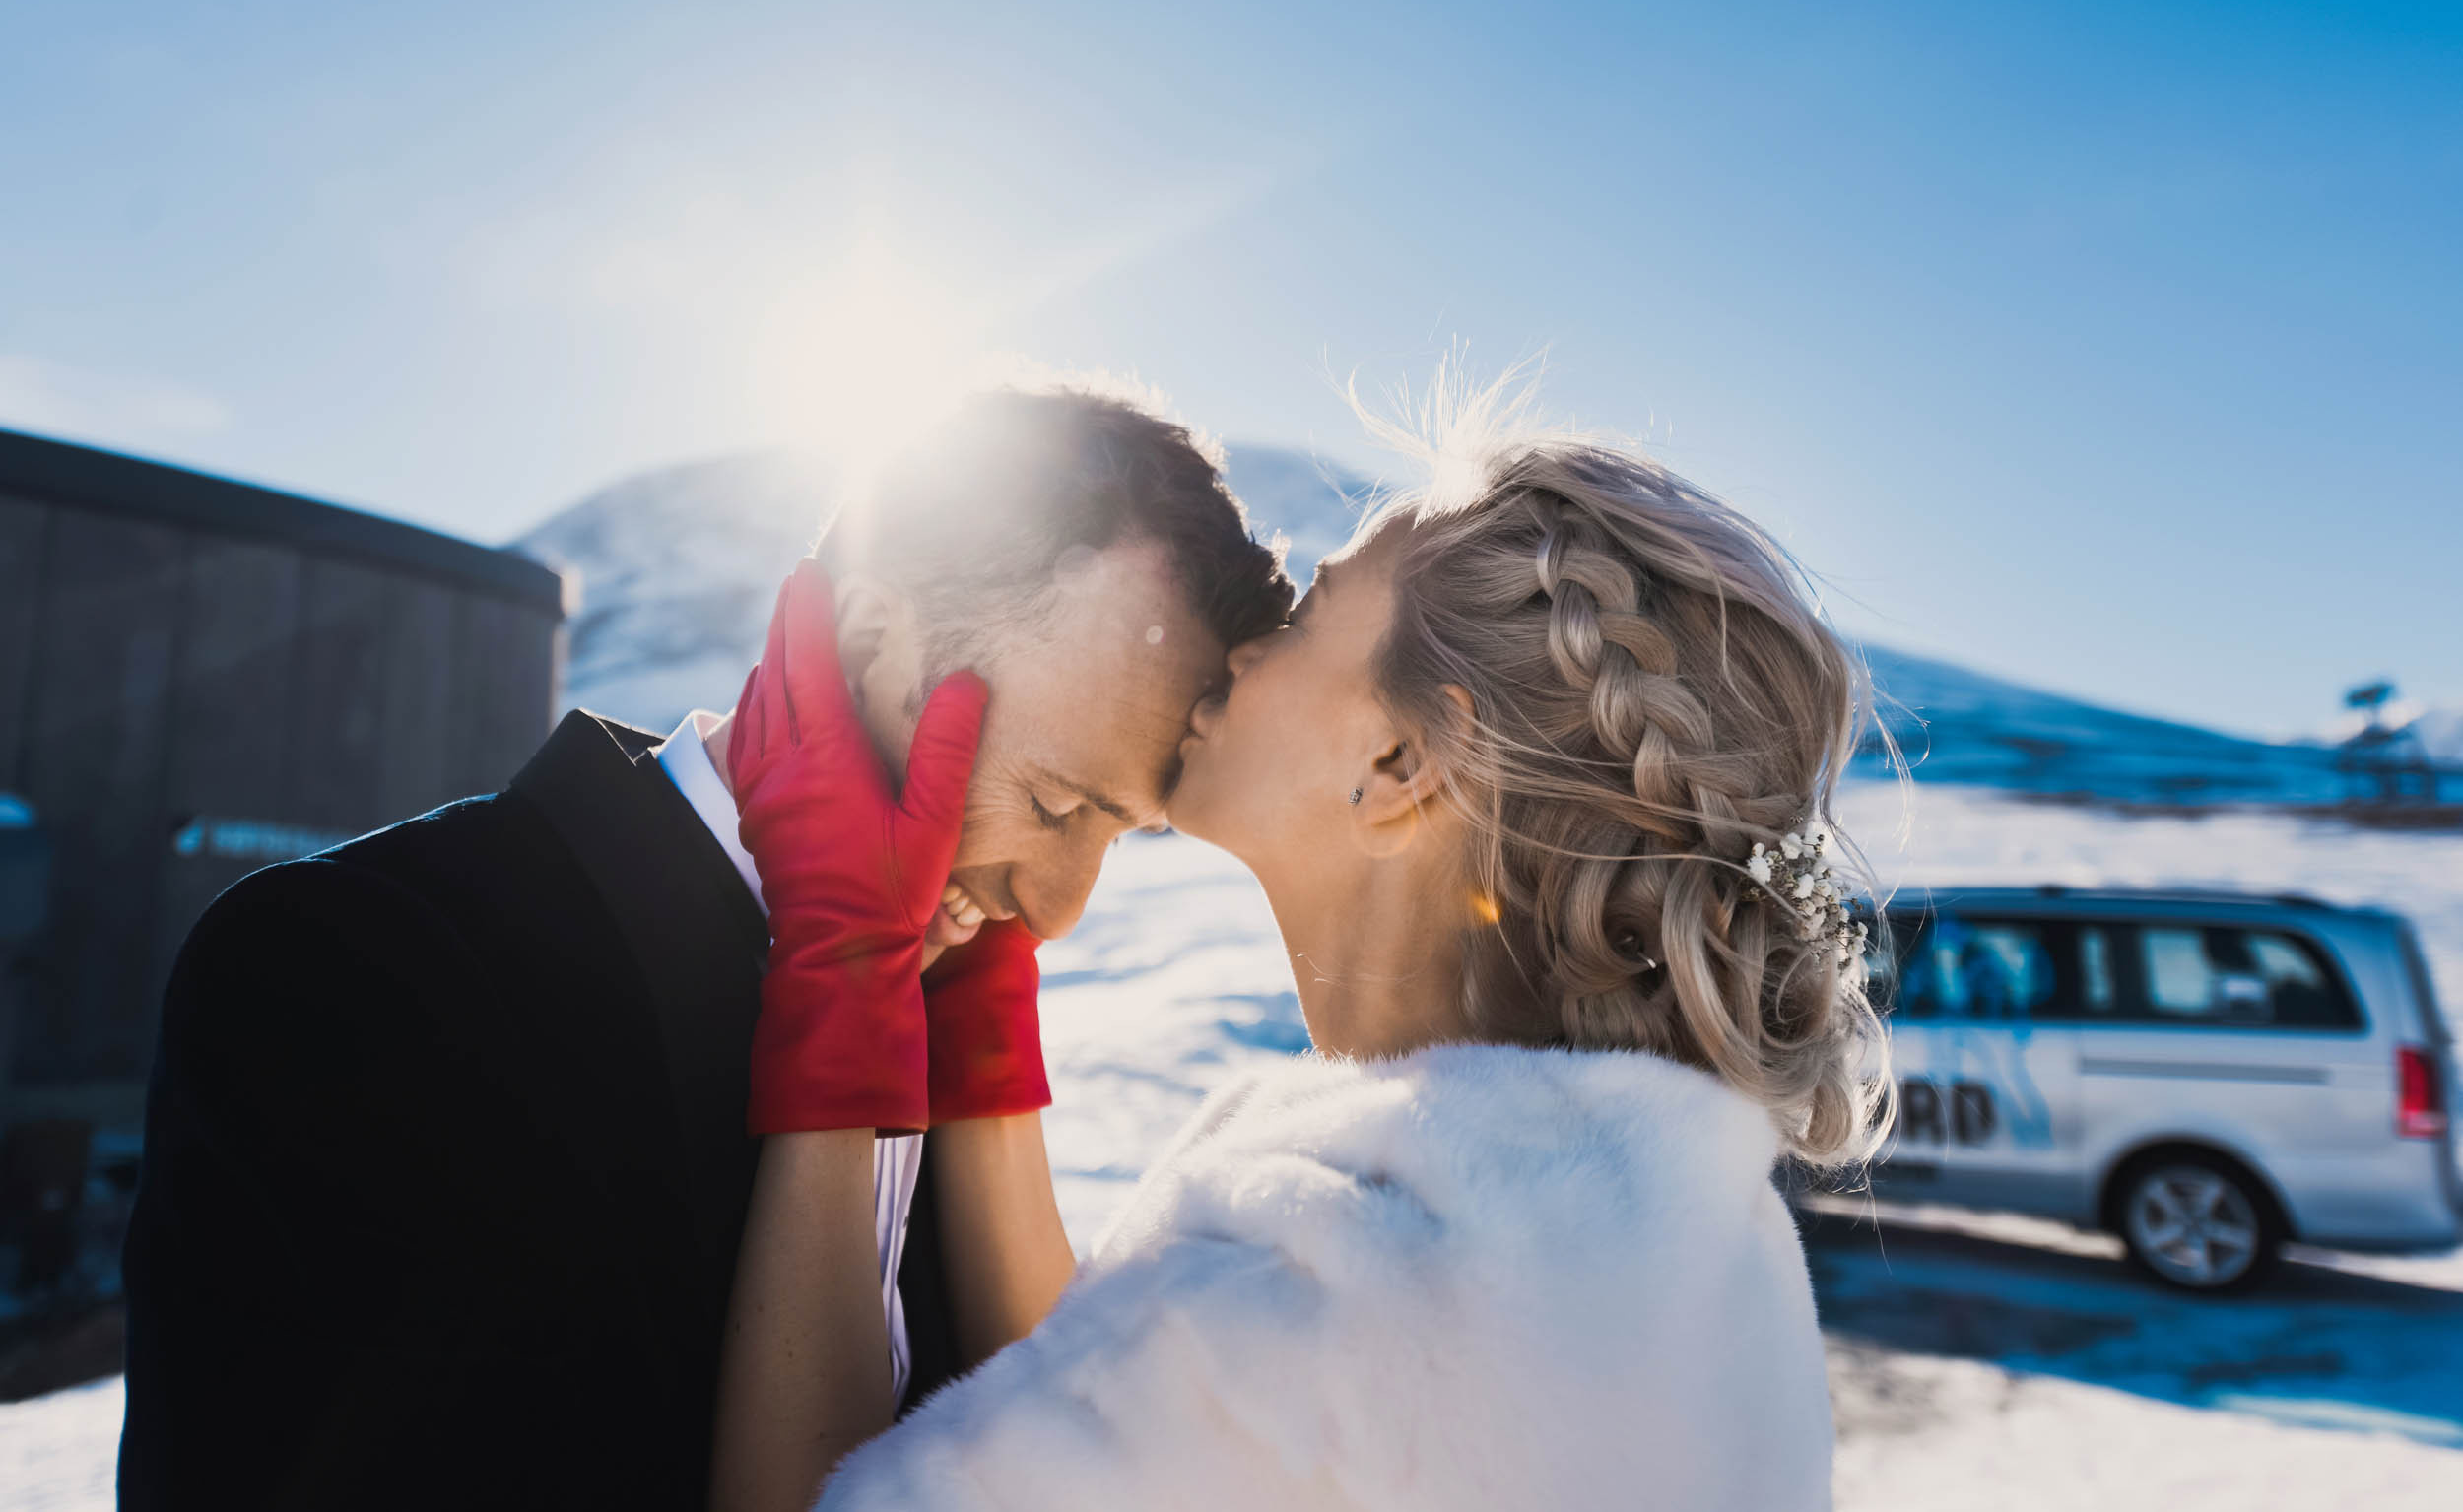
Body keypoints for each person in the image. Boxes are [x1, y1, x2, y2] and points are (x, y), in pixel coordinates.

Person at [713, 377, 1893, 1511]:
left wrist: (845, 975)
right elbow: (1063, 1424)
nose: (1241, 649)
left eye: (1315, 611)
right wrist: (984, 1008)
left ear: (1397, 766)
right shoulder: (1703, 1256)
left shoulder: (1301, 1296)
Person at [115, 387, 1293, 1509]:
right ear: (875, 637)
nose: (1062, 907)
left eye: (1117, 833)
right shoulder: (359, 964)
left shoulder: (947, 999)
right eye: (1052, 803)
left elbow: (1051, 1451)